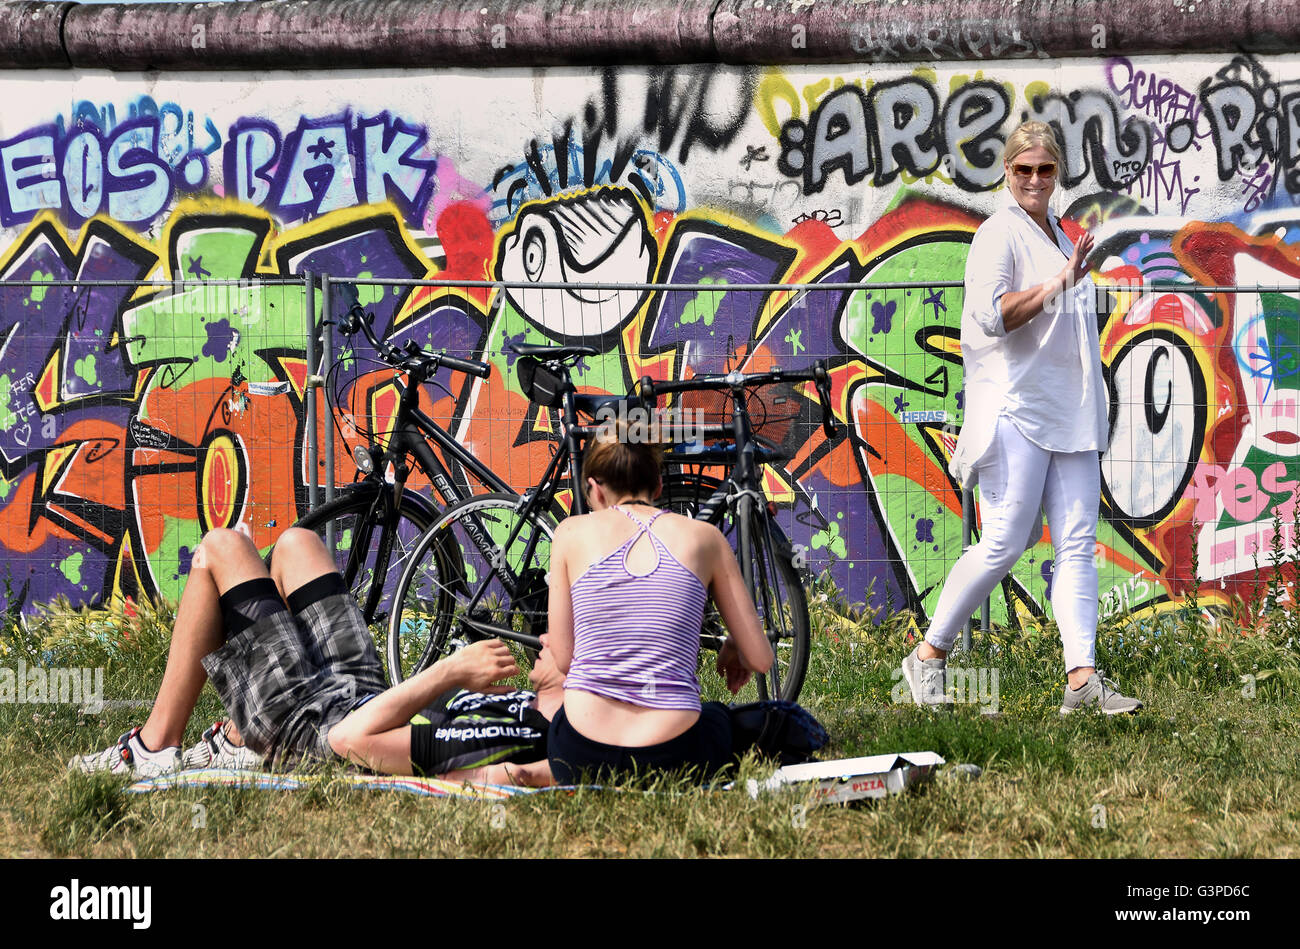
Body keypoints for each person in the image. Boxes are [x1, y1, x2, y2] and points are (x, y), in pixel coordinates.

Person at [900, 120, 1142, 715]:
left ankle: (1082, 680)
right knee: (1006, 542)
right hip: (1019, 408)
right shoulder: (997, 233)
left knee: (1079, 545)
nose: (1035, 179)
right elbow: (989, 316)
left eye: (1046, 169)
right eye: (1023, 169)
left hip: (1075, 413)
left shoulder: (1064, 234)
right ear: (1006, 172)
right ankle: (928, 656)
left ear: (1059, 173)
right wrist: (1060, 282)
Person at [69, 527, 560, 787]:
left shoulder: (517, 738)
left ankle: (152, 749)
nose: (542, 639)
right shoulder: (536, 705)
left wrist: (448, 672)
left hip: (309, 731)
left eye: (560, 640)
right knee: (296, 543)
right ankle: (240, 740)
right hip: (363, 693)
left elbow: (350, 741)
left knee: (219, 549)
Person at [544, 422, 774, 785]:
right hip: (677, 756)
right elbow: (761, 659)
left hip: (581, 755)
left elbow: (563, 658)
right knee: (724, 719)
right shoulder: (705, 538)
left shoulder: (569, 533)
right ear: (659, 486)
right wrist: (736, 645)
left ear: (595, 489)